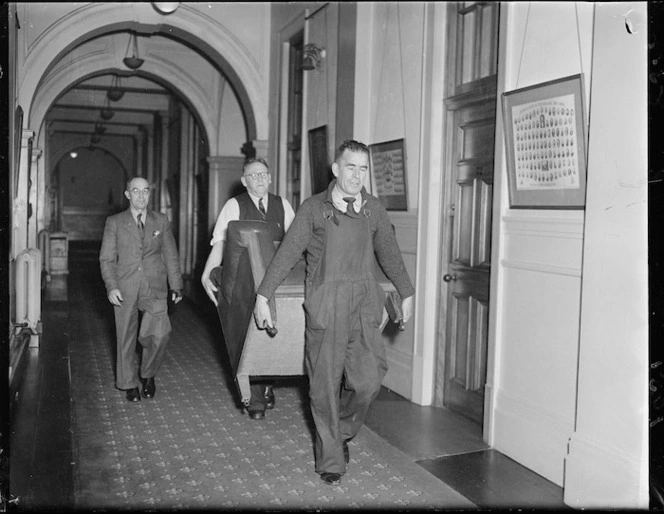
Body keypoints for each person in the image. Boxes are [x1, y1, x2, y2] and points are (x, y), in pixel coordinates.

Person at [253, 140, 414, 485]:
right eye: (350, 167)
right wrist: (263, 295)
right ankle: (330, 458)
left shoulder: (374, 209)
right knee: (323, 385)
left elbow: (389, 253)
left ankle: (339, 432)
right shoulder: (313, 209)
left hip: (364, 305)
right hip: (326, 306)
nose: (357, 175)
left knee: (368, 380)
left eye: (363, 168)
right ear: (336, 169)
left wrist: (407, 291)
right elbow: (287, 255)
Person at [201, 157, 296, 420]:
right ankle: (256, 397)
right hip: (245, 278)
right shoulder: (234, 205)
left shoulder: (282, 204)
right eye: (253, 175)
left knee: (273, 328)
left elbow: (295, 243)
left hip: (274, 277)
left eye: (264, 174)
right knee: (249, 331)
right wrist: (207, 272)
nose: (260, 179)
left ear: (270, 177)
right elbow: (220, 241)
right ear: (244, 181)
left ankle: (265, 385)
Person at [100, 176, 183, 402]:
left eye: (145, 191)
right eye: (135, 191)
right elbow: (106, 259)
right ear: (127, 194)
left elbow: (171, 255)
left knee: (160, 334)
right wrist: (111, 286)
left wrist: (176, 285)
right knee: (125, 335)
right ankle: (128, 384)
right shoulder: (115, 222)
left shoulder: (161, 221)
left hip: (154, 285)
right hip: (125, 286)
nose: (141, 196)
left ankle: (148, 374)